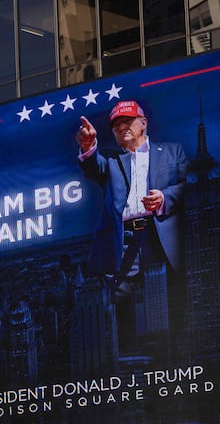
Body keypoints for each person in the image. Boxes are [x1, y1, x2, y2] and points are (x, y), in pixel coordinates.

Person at [76, 100, 187, 354]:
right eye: (116, 126)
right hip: (124, 241)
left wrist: (164, 198)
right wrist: (87, 145)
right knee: (120, 303)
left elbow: (187, 185)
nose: (122, 127)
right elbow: (94, 166)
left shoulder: (171, 152)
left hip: (157, 236)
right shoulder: (112, 161)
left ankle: (171, 355)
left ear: (143, 123)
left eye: (127, 121)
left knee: (165, 299)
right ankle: (129, 361)